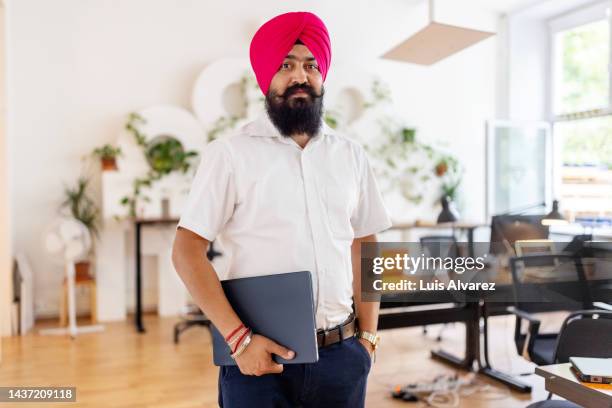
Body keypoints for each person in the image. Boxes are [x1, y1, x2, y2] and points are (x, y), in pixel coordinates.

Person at [172, 11, 392, 408]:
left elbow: (366, 242)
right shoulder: (230, 155)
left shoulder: (350, 155)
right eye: (286, 65)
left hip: (342, 358)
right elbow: (186, 250)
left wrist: (369, 338)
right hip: (257, 360)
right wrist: (238, 340)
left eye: (311, 65)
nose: (300, 76)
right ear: (266, 78)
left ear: (322, 76)